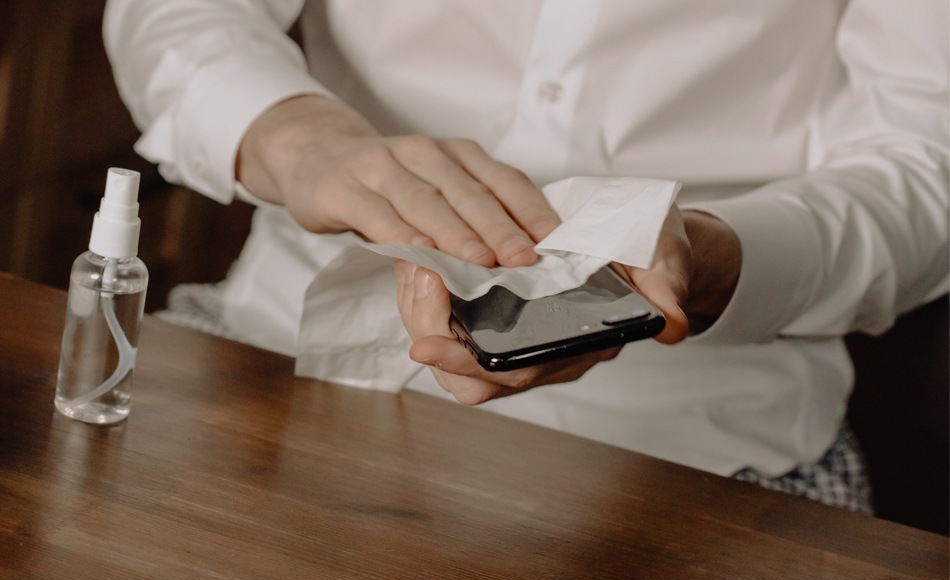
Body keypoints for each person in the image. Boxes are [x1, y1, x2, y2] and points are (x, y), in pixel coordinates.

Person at [103, 0, 948, 513]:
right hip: (266, 353)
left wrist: (717, 253)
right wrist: (296, 137)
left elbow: (928, 158)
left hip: (702, 452)